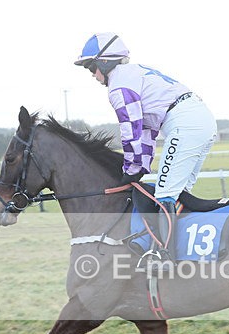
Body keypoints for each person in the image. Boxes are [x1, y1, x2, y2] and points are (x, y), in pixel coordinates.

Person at [74, 32, 217, 270]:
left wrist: (131, 168)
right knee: (179, 192)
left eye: (91, 67)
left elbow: (130, 129)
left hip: (185, 123)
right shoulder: (133, 74)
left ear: (104, 62)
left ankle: (164, 257)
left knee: (165, 194)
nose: (92, 75)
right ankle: (185, 251)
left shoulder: (119, 84)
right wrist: (140, 166)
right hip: (200, 120)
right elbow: (146, 132)